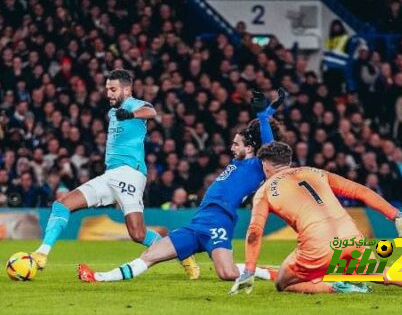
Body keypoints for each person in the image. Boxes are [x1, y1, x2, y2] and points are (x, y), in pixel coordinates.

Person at [76, 89, 285, 283]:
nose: (232, 147)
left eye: (236, 144)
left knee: (227, 273)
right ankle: (98, 277)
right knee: (150, 254)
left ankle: (266, 272)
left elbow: (268, 145)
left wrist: (262, 116)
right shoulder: (239, 162)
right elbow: (256, 135)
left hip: (219, 220)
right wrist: (268, 111)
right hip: (199, 221)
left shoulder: (256, 165)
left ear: (249, 148)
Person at [230, 142, 402, 294]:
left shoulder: (263, 191)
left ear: (264, 165)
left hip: (317, 246)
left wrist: (249, 270)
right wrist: (396, 214)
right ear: (289, 161)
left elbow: (253, 233)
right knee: (383, 272)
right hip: (350, 238)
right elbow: (361, 191)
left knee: (283, 282)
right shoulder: (316, 172)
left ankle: (335, 287)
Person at [29, 70, 197, 274]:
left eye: (113, 89)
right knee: (61, 205)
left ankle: (183, 252)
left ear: (127, 90)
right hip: (110, 175)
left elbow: (151, 112)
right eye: (107, 88)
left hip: (130, 174)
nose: (108, 92)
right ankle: (41, 253)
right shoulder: (112, 112)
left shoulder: (134, 104)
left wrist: (132, 114)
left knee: (138, 233)